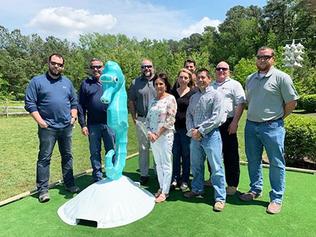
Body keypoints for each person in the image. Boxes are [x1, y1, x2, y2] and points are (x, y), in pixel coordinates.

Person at [239, 47, 299, 214]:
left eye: (266, 57)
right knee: (252, 160)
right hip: (251, 126)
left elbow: (291, 103)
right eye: (259, 57)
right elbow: (249, 101)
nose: (262, 59)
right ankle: (255, 189)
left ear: (273, 58)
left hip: (273, 127)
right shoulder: (250, 78)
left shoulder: (282, 77)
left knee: (276, 163)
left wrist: (278, 118)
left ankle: (276, 198)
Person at [25, 53, 80, 203]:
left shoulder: (67, 82)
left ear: (63, 66)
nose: (57, 66)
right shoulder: (37, 81)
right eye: (54, 63)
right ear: (48, 63)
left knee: (67, 156)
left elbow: (74, 102)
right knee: (44, 158)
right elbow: (30, 103)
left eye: (60, 64)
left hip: (66, 127)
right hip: (47, 128)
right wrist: (41, 122)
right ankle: (43, 190)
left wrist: (73, 116)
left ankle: (69, 184)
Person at [184, 68, 226, 212]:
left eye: (203, 77)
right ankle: (197, 189)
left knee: (216, 167)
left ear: (209, 79)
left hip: (211, 135)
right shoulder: (194, 97)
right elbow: (189, 115)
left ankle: (220, 198)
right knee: (196, 165)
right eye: (198, 78)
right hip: (195, 137)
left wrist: (200, 130)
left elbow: (217, 117)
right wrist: (192, 131)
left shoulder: (217, 95)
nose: (200, 80)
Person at [77, 58, 115, 182]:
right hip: (93, 124)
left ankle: (112, 174)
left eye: (98, 66)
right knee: (94, 152)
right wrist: (83, 124)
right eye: (93, 67)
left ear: (103, 68)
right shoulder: (86, 84)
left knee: (112, 150)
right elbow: (80, 105)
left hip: (110, 124)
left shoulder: (111, 82)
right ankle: (97, 176)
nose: (96, 69)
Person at [212, 61, 246, 195]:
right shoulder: (211, 85)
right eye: (218, 68)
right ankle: (213, 177)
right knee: (213, 153)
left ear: (229, 71)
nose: (221, 71)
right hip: (213, 124)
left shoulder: (235, 84)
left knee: (230, 154)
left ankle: (232, 184)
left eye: (224, 69)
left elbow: (241, 103)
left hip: (228, 123)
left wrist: (235, 122)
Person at [146, 73, 177, 203]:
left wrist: (158, 134)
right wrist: (149, 133)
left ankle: (165, 191)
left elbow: (170, 120)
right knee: (158, 163)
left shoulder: (171, 99)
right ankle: (161, 187)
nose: (158, 86)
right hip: (153, 137)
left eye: (161, 84)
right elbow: (147, 119)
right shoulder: (153, 100)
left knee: (166, 163)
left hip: (164, 136)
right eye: (156, 84)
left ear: (165, 85)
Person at [128, 59, 156, 185]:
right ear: (141, 68)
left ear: (153, 67)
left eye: (149, 66)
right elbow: (131, 101)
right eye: (144, 67)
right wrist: (134, 117)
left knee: (157, 147)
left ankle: (158, 172)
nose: (147, 69)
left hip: (157, 120)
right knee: (144, 147)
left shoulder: (159, 81)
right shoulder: (135, 82)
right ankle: (144, 174)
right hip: (142, 119)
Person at [170, 68, 196, 192]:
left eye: (186, 77)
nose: (183, 79)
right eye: (181, 77)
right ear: (178, 78)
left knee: (186, 155)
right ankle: (175, 178)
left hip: (187, 130)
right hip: (174, 129)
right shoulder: (172, 92)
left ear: (189, 79)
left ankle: (185, 180)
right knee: (175, 154)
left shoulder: (193, 93)